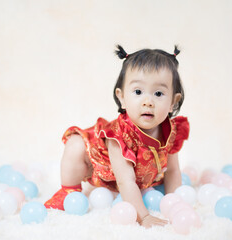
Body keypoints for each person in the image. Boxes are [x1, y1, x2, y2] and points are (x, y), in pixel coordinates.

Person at [44, 45, 190, 228]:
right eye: (138, 92)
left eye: (159, 93)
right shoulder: (119, 137)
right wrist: (144, 217)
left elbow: (173, 171)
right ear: (121, 98)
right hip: (104, 168)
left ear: (173, 102)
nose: (148, 102)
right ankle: (68, 189)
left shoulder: (171, 132)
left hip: (141, 177)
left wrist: (174, 204)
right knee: (75, 145)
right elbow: (125, 180)